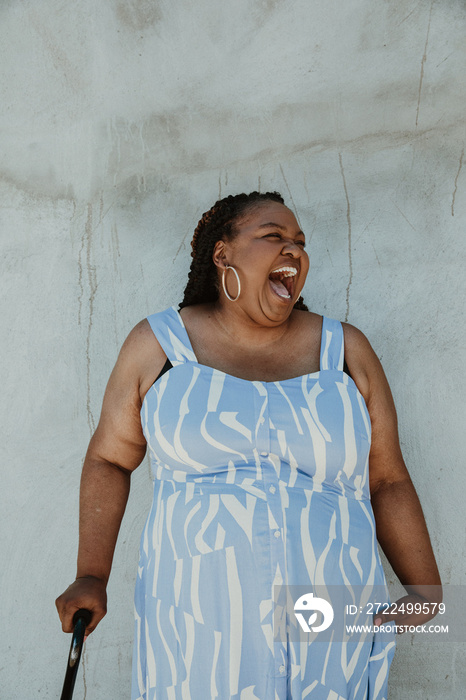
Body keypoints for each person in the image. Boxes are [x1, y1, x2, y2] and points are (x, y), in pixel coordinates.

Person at [56, 191, 442, 699]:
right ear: (223, 255)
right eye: (273, 236)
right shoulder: (159, 347)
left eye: (300, 242)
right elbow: (109, 458)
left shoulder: (345, 352)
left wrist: (428, 597)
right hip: (196, 623)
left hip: (325, 623)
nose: (294, 251)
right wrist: (91, 573)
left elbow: (387, 478)